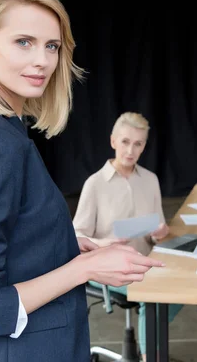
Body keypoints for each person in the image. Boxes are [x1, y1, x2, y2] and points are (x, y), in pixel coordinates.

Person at [0, 0, 164, 362]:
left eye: (52, 46)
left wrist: (68, 246)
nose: (42, 60)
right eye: (24, 42)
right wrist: (84, 266)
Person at [73, 111, 184, 361]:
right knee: (152, 294)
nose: (130, 150)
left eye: (138, 143)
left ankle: (152, 350)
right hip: (105, 266)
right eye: (125, 142)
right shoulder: (95, 184)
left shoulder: (150, 180)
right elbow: (76, 236)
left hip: (144, 264)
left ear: (144, 145)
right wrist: (105, 243)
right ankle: (149, 356)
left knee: (179, 287)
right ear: (113, 141)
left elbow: (157, 231)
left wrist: (160, 234)